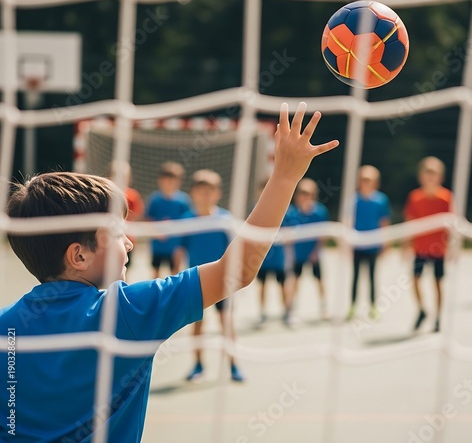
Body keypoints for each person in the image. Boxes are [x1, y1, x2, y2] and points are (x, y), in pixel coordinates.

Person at [0, 103, 339, 441]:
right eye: (118, 235)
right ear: (79, 255)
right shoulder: (126, 312)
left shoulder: (6, 328)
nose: (130, 244)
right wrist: (285, 176)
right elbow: (236, 270)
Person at [174, 169, 244, 382]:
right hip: (196, 281)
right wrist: (176, 277)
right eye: (201, 190)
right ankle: (197, 365)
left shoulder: (225, 219)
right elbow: (179, 250)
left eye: (210, 190)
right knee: (198, 325)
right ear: (193, 193)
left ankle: (233, 366)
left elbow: (236, 250)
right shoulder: (186, 219)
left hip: (224, 282)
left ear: (217, 194)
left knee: (227, 322)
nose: (205, 195)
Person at [404, 156, 453, 333]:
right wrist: (406, 246)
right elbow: (410, 221)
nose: (430, 177)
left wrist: (452, 246)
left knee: (437, 283)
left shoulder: (446, 197)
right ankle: (422, 310)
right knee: (415, 280)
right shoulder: (415, 197)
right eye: (427, 173)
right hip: (420, 247)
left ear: (440, 176)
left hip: (438, 248)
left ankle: (438, 317)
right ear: (421, 176)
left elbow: (451, 224)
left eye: (434, 174)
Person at [346, 165, 391, 321]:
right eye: (364, 179)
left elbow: (384, 222)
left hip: (373, 245)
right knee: (355, 277)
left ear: (375, 182)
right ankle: (352, 306)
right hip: (357, 245)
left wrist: (386, 244)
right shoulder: (353, 200)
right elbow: (348, 222)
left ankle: (373, 306)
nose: (366, 183)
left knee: (372, 277)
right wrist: (347, 243)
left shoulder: (381, 200)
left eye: (369, 180)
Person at [287, 178, 330, 323]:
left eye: (308, 193)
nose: (304, 197)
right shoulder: (291, 213)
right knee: (294, 281)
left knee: (319, 280)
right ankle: (291, 310)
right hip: (297, 255)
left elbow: (323, 235)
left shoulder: (320, 212)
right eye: (301, 193)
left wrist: (316, 252)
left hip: (314, 254)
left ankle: (324, 307)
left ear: (314, 195)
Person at [254, 180, 293, 329]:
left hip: (279, 258)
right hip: (261, 259)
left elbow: (290, 232)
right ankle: (262, 314)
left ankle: (287, 312)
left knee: (283, 286)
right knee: (262, 286)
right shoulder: (255, 208)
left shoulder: (284, 209)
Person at [146, 161, 191, 278]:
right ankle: (154, 295)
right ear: (160, 181)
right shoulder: (155, 200)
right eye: (166, 180)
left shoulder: (183, 201)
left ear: (178, 182)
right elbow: (148, 219)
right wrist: (156, 231)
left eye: (172, 180)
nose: (169, 183)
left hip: (175, 246)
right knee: (155, 273)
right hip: (158, 245)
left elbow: (188, 221)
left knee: (175, 273)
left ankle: (173, 295)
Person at [109, 160, 144, 267]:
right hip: (109, 238)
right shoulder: (107, 193)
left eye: (124, 176)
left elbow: (138, 214)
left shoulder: (132, 195)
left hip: (127, 237)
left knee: (124, 266)